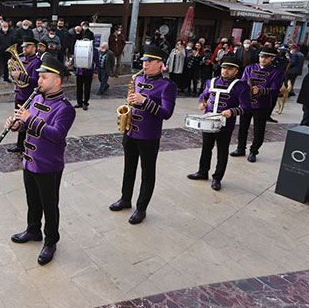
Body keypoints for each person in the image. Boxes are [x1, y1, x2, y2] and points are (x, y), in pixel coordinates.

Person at [7, 54, 75, 266]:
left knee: (49, 205)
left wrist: (30, 119)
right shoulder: (36, 99)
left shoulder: (65, 108)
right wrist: (18, 124)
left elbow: (56, 135)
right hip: (29, 160)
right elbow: (28, 125)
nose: (39, 81)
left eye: (44, 77)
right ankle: (33, 230)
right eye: (39, 77)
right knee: (32, 200)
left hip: (48, 165)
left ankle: (51, 240)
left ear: (57, 80)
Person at [109, 45, 177, 225]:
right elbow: (133, 101)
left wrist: (145, 101)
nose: (144, 64)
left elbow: (167, 113)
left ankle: (141, 208)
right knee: (128, 168)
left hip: (149, 136)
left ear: (160, 64)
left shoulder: (167, 86)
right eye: (144, 61)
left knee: (147, 173)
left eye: (149, 61)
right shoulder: (137, 78)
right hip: (130, 131)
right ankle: (125, 199)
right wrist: (129, 106)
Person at [187, 56, 251, 190]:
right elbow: (203, 95)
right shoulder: (212, 82)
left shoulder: (241, 86)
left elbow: (246, 107)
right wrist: (202, 103)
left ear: (236, 71)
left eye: (229, 69)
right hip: (208, 121)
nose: (225, 71)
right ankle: (202, 172)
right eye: (223, 68)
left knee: (222, 151)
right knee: (206, 148)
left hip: (225, 124)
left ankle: (217, 178)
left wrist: (232, 111)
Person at [230, 46, 283, 162]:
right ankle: (240, 148)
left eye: (266, 57)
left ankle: (254, 151)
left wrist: (261, 90)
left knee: (258, 129)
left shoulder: (276, 72)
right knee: (242, 127)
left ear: (272, 58)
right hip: (247, 103)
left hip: (262, 104)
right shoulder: (249, 68)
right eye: (261, 57)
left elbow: (275, 89)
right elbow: (243, 82)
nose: (263, 59)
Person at [8, 39, 42, 153]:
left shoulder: (37, 62)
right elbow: (15, 76)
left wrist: (20, 75)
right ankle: (20, 144)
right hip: (19, 93)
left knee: (27, 121)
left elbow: (35, 81)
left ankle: (28, 145)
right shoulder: (21, 59)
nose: (24, 49)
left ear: (34, 47)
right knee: (18, 120)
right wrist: (12, 71)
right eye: (23, 47)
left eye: (27, 47)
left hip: (28, 96)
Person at [73, 38, 99, 110]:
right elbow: (75, 58)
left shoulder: (94, 51)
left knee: (87, 88)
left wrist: (95, 71)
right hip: (79, 71)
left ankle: (85, 103)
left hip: (89, 72)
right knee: (79, 88)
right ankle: (79, 102)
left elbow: (96, 61)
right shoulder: (79, 49)